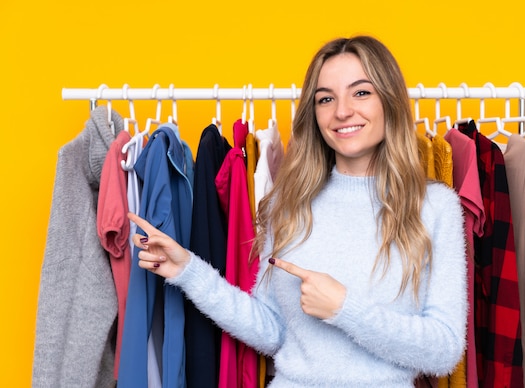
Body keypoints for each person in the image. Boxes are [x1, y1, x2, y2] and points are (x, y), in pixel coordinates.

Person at [128, 35, 467, 387]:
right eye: (326, 98)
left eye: (361, 92)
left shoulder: (435, 208)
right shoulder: (288, 203)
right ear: (314, 112)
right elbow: (272, 330)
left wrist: (345, 309)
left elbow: (444, 350)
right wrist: (188, 270)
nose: (342, 111)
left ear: (390, 100)